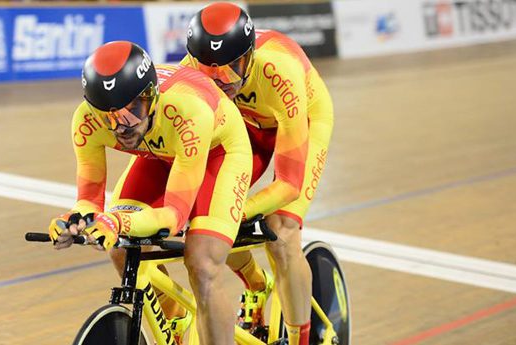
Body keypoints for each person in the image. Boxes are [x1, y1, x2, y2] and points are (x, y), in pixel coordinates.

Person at [49, 40, 253, 344]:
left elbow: (174, 216)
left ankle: (251, 288)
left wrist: (116, 221)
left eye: (133, 111)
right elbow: (89, 199)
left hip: (217, 151)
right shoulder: (86, 121)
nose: (122, 128)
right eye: (109, 117)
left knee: (202, 265)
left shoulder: (189, 112)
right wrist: (77, 219)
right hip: (160, 153)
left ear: (152, 97)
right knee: (119, 247)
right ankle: (177, 322)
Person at [180, 3, 335, 345]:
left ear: (250, 56)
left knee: (282, 232)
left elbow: (289, 184)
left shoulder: (279, 70)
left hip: (301, 121)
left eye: (234, 68)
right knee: (206, 218)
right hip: (246, 127)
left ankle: (301, 338)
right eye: (212, 71)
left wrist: (237, 212)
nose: (225, 81)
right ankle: (254, 281)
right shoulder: (188, 73)